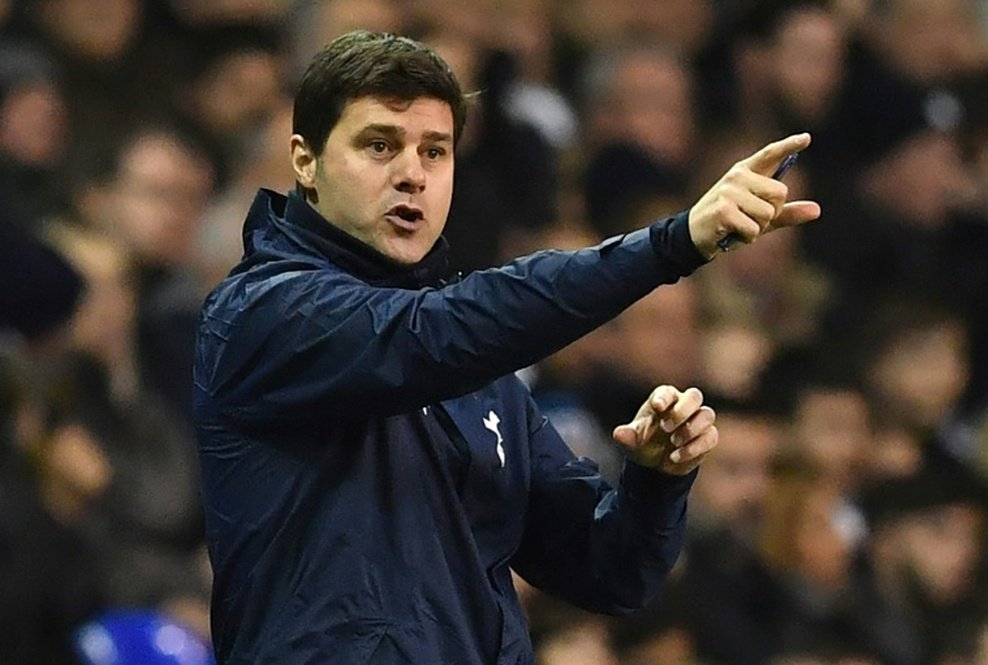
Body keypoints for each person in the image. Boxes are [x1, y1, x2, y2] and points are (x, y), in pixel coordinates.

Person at [192, 30, 820, 663]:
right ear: (306, 161)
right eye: (379, 145)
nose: (412, 174)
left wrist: (656, 480)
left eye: (435, 152)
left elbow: (609, 572)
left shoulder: (474, 369)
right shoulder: (262, 313)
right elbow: (433, 333)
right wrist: (673, 242)